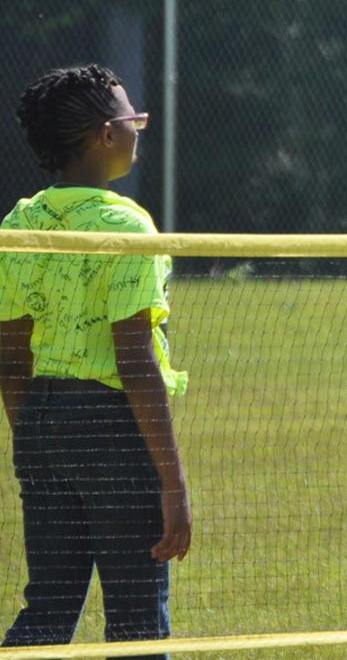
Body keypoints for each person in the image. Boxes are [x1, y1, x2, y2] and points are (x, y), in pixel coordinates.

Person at [1, 64, 190, 658]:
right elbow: (134, 361)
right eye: (134, 118)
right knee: (137, 619)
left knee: (48, 609)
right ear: (106, 135)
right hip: (112, 428)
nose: (141, 128)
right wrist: (174, 484)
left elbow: (9, 356)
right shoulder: (127, 227)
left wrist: (33, 440)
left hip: (40, 421)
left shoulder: (20, 223)